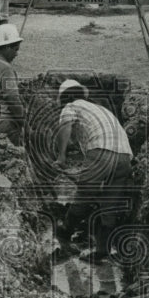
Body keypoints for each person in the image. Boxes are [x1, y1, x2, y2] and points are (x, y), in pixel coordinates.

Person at [54, 80, 135, 257]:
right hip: (124, 157)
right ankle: (102, 251)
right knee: (109, 205)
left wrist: (61, 157)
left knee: (84, 195)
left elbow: (65, 127)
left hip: (100, 151)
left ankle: (64, 234)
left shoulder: (71, 106)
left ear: (65, 98)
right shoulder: (100, 109)